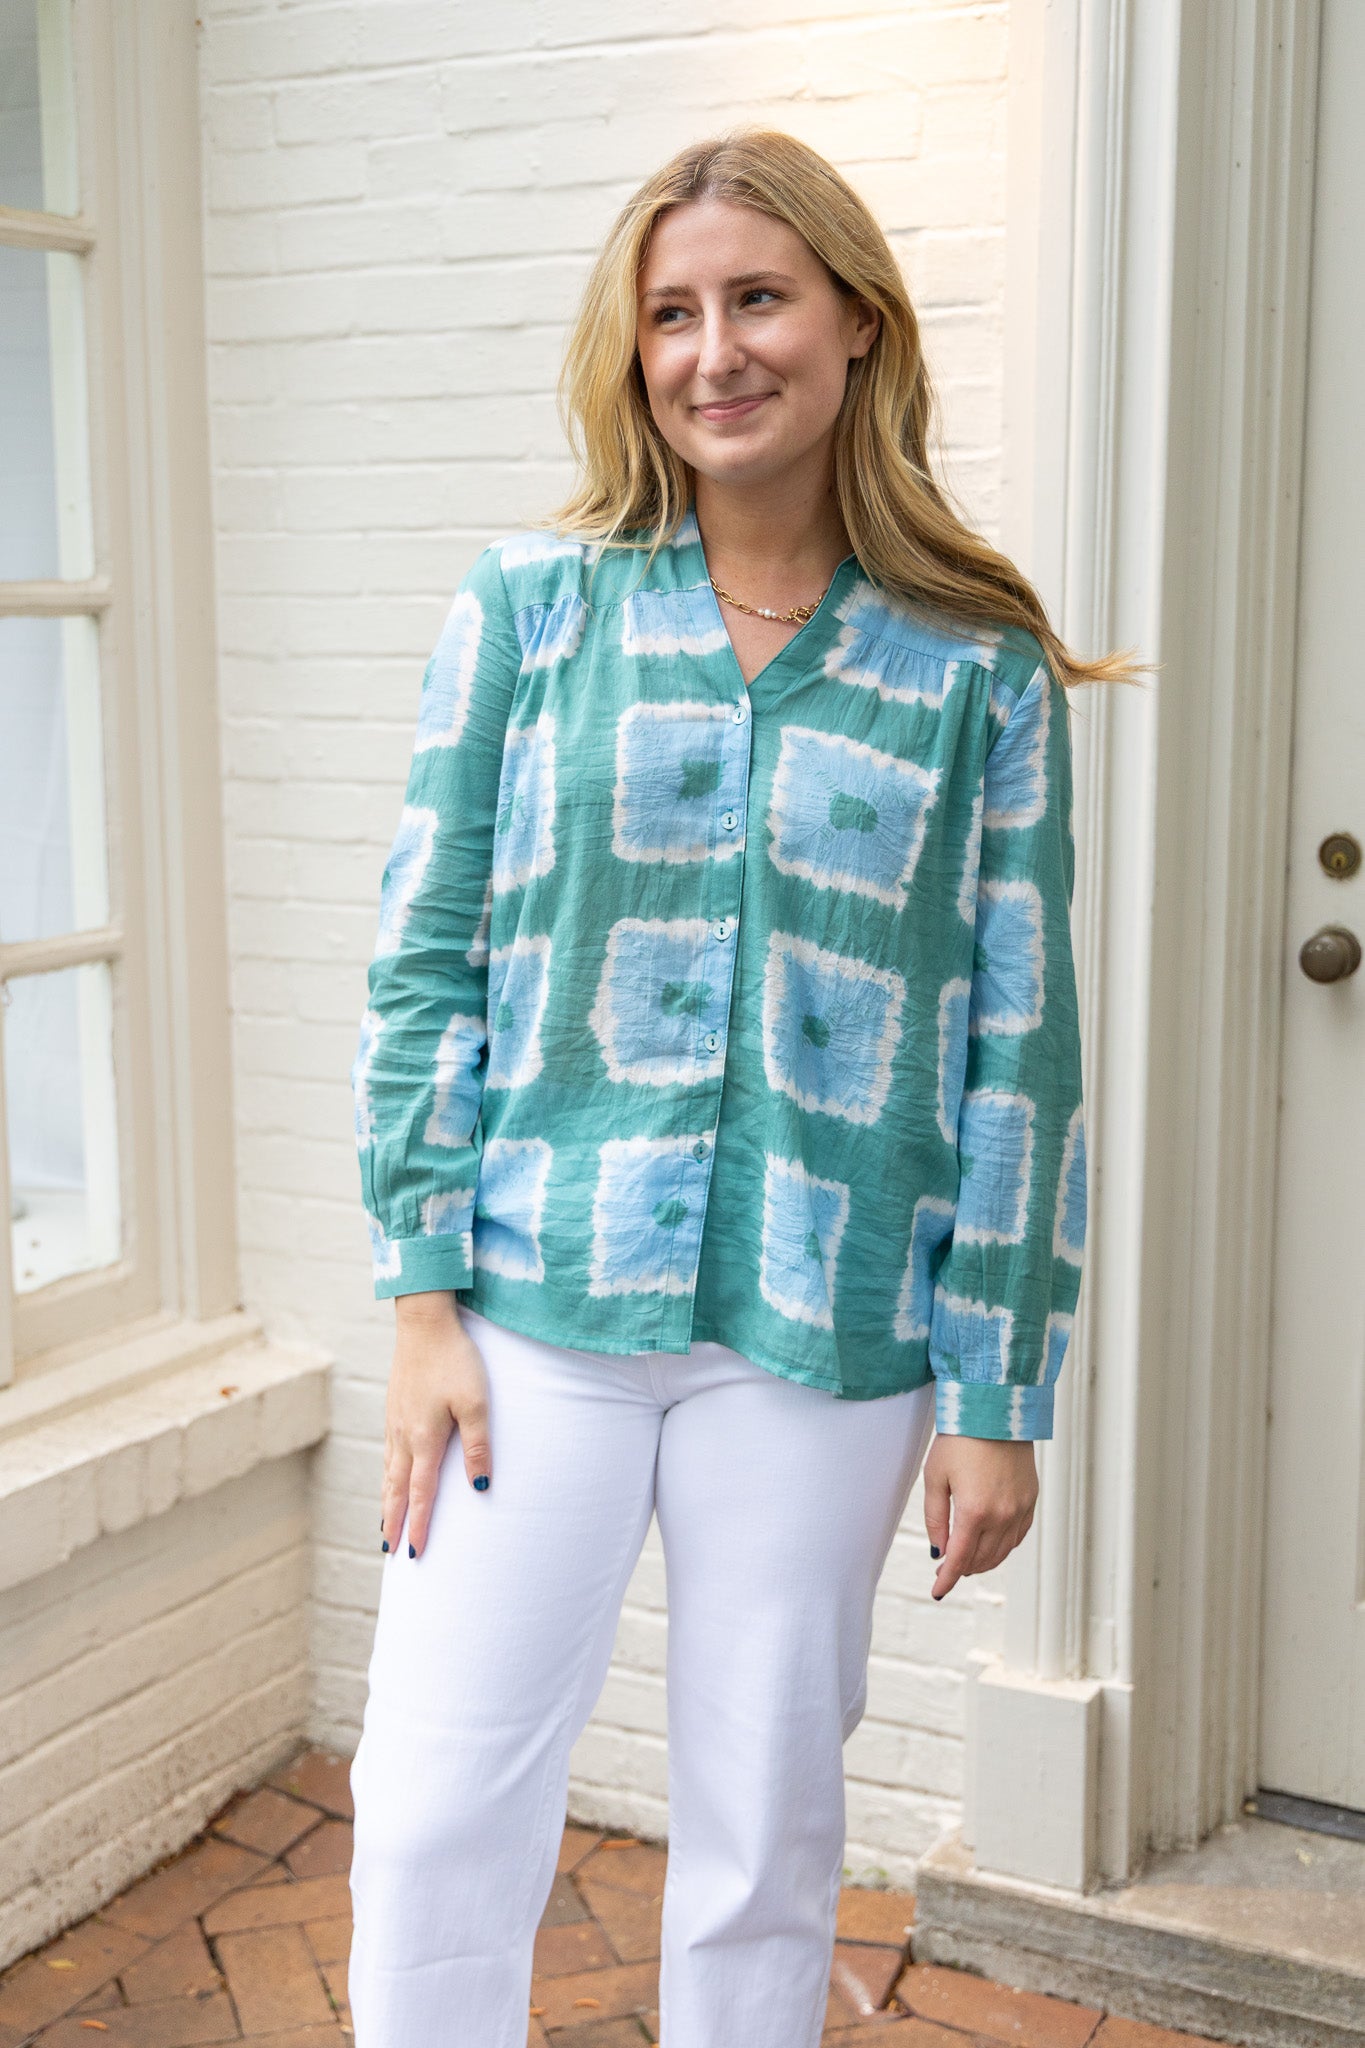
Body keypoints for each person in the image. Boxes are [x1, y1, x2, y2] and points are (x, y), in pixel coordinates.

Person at [345, 128, 1134, 2048]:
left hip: (824, 1337)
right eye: (672, 313)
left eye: (758, 298)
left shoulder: (974, 669)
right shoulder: (532, 611)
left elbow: (1019, 1046)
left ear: (856, 323)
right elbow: (425, 951)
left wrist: (997, 1396)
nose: (714, 352)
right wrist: (421, 1298)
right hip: (530, 1310)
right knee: (434, 1803)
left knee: (764, 1833)